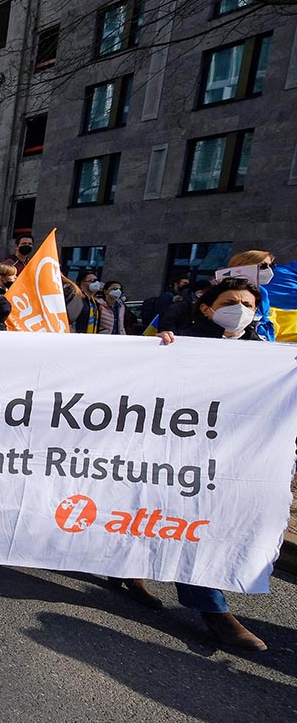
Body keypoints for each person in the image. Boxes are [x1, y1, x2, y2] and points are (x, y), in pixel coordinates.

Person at [129, 276, 267, 651]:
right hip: (175, 449)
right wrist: (158, 352)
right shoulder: (182, 340)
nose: (240, 310)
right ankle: (214, 612)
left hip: (230, 454)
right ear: (207, 308)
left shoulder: (265, 352)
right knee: (182, 520)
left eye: (249, 305)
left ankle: (124, 569)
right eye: (230, 302)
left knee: (192, 520)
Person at [226, 249, 277, 341]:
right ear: (242, 265)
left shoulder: (262, 292)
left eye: (271, 266)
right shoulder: (222, 291)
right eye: (263, 266)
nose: (269, 270)